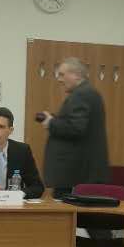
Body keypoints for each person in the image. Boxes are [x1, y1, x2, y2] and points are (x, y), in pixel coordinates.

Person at [39, 58, 109, 197]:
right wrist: (55, 120)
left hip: (75, 175)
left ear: (76, 75)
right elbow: (77, 124)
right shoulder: (87, 93)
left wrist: (51, 123)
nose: (59, 79)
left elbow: (76, 128)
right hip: (80, 174)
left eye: (62, 74)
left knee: (67, 210)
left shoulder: (81, 94)